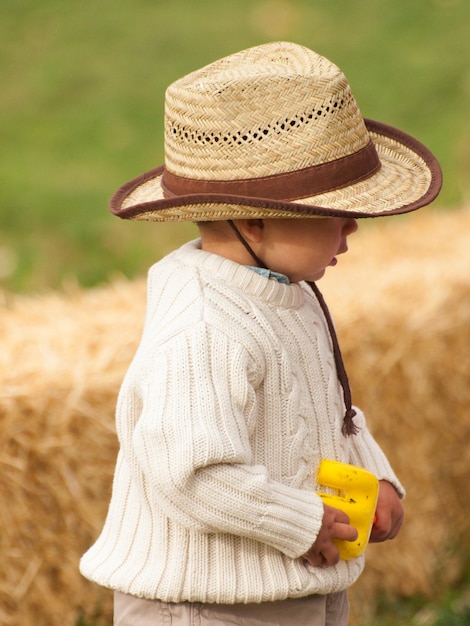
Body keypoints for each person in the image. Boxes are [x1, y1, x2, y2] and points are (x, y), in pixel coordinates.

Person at [80, 42, 442, 625]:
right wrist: (301, 521)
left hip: (291, 585)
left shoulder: (286, 291)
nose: (353, 226)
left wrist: (374, 475)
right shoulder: (204, 327)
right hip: (205, 603)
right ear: (252, 220)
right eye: (334, 213)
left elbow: (328, 412)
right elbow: (195, 473)